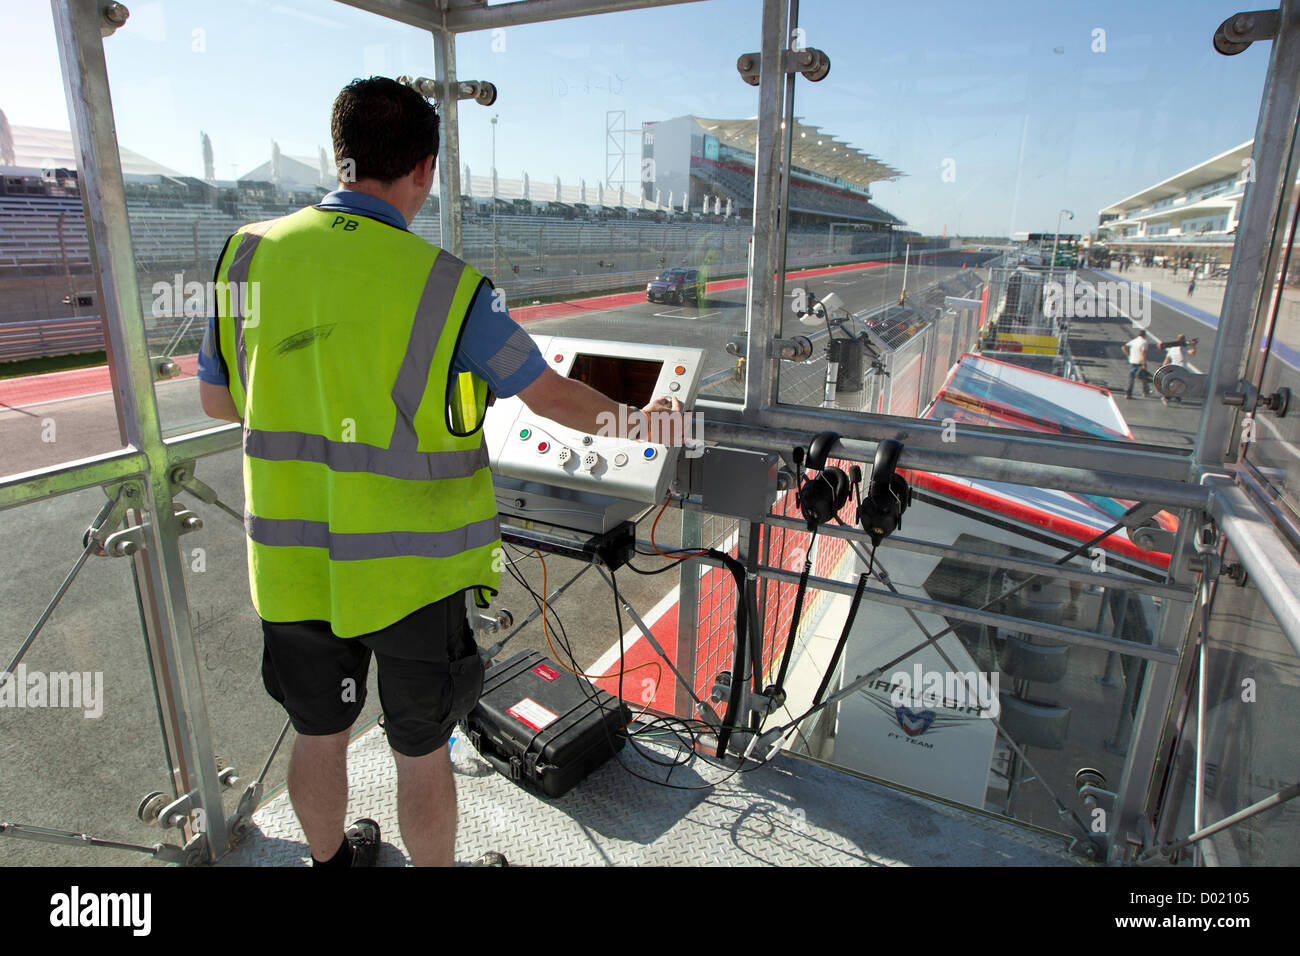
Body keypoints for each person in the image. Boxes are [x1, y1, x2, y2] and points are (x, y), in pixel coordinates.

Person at [196, 77, 684, 867]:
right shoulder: (449, 286)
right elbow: (553, 397)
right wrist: (645, 421)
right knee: (419, 750)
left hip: (292, 563)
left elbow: (221, 401)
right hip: (411, 572)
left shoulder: (245, 254)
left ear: (342, 156)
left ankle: (330, 864)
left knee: (319, 731)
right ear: (425, 168)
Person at [1122, 331, 1151, 399]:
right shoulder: (1144, 342)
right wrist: (1144, 363)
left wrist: (1129, 356)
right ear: (1144, 335)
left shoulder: (1134, 341)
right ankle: (1145, 392)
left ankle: (1128, 393)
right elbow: (1143, 353)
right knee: (1143, 378)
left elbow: (1124, 347)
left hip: (1133, 362)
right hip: (1140, 362)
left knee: (1131, 378)